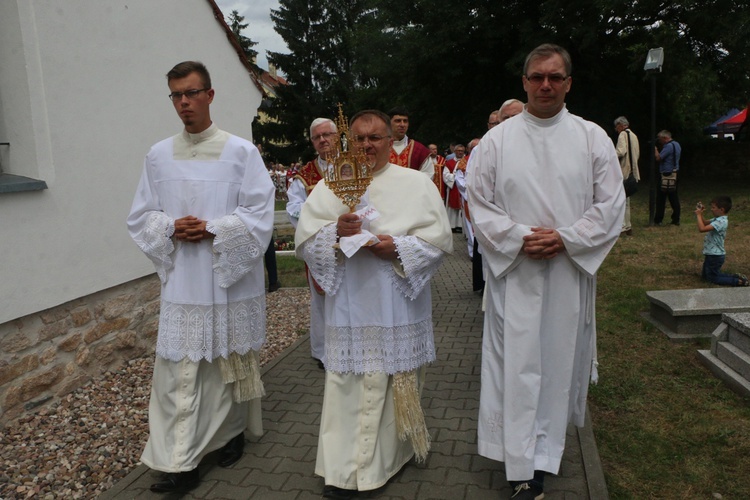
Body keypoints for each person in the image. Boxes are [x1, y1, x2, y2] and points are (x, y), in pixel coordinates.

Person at [467, 44, 624, 500]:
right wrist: (519, 237)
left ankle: (544, 453)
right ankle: (519, 464)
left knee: (556, 362)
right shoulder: (497, 141)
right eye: (537, 77)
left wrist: (567, 238)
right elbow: (479, 202)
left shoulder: (592, 137)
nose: (545, 85)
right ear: (524, 82)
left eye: (555, 77)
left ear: (568, 83)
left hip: (567, 273)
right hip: (515, 273)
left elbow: (611, 203)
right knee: (514, 366)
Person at [127, 61, 275, 494]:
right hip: (185, 280)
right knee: (179, 371)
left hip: (226, 276)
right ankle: (180, 460)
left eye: (191, 93)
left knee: (225, 364)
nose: (184, 102)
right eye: (176, 95)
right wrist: (171, 227)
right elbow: (141, 215)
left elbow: (259, 214)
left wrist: (213, 228)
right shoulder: (158, 155)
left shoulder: (241, 153)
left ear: (210, 95)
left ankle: (228, 436)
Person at [295, 109, 452, 499]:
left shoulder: (415, 183)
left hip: (395, 300)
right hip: (350, 304)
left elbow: (438, 241)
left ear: (389, 141)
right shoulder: (331, 184)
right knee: (347, 384)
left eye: (375, 138)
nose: (367, 145)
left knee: (393, 380)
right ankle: (342, 470)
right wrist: (335, 231)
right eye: (360, 139)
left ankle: (385, 459)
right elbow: (304, 242)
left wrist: (395, 247)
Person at [286, 118, 337, 368]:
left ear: (337, 136)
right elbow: (293, 207)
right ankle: (323, 351)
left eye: (327, 134)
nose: (323, 140)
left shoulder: (354, 166)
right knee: (321, 299)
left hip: (350, 242)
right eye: (317, 137)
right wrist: (318, 225)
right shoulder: (304, 175)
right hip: (320, 243)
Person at [695, 196, 748, 286]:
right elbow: (704, 223)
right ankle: (735, 277)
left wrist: (698, 215)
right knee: (707, 276)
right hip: (712, 254)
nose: (711, 209)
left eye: (713, 208)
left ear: (721, 209)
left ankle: (738, 282)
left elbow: (702, 228)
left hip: (715, 255)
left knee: (711, 278)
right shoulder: (717, 219)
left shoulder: (721, 222)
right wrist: (701, 214)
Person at [388, 107, 433, 177]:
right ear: (389, 123)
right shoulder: (380, 147)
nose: (402, 125)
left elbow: (428, 175)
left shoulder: (420, 150)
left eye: (405, 121)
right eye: (398, 121)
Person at [614, 116, 640, 235]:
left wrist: (610, 154)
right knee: (626, 199)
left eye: (616, 127)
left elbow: (621, 151)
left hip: (624, 171)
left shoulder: (622, 135)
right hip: (633, 171)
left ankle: (623, 226)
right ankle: (627, 225)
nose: (616, 129)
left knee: (621, 200)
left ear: (620, 125)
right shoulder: (634, 136)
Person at [654, 129, 681, 226]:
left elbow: (658, 158)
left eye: (660, 139)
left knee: (661, 198)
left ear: (665, 138)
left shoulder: (668, 146)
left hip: (666, 174)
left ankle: (658, 219)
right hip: (675, 173)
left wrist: (656, 150)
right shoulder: (677, 144)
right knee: (674, 197)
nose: (659, 141)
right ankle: (676, 218)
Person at [443, 144, 466, 232]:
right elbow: (445, 175)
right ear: (454, 151)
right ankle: (452, 225)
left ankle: (461, 226)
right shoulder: (449, 163)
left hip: (463, 188)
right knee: (452, 207)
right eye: (458, 150)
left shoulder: (467, 162)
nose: (460, 152)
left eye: (462, 151)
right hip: (453, 187)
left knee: (462, 206)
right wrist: (456, 177)